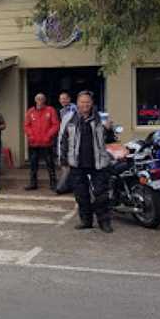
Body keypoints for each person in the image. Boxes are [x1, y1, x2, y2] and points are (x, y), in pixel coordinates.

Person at [59, 91, 114, 233]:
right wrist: (63, 160)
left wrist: (109, 130)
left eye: (87, 102)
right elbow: (63, 140)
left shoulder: (100, 118)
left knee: (101, 195)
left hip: (98, 162)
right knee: (81, 195)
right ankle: (86, 221)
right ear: (77, 103)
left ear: (92, 103)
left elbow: (110, 140)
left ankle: (104, 222)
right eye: (82, 102)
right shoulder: (69, 118)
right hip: (77, 163)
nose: (85, 105)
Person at [24, 93, 60, 190]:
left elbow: (56, 125)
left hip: (46, 143)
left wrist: (49, 136)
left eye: (42, 99)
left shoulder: (50, 110)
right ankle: (33, 183)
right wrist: (30, 135)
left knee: (50, 164)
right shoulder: (30, 111)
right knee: (33, 165)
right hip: (34, 143)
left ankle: (53, 183)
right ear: (35, 100)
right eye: (38, 99)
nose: (40, 100)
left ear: (44, 100)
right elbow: (27, 125)